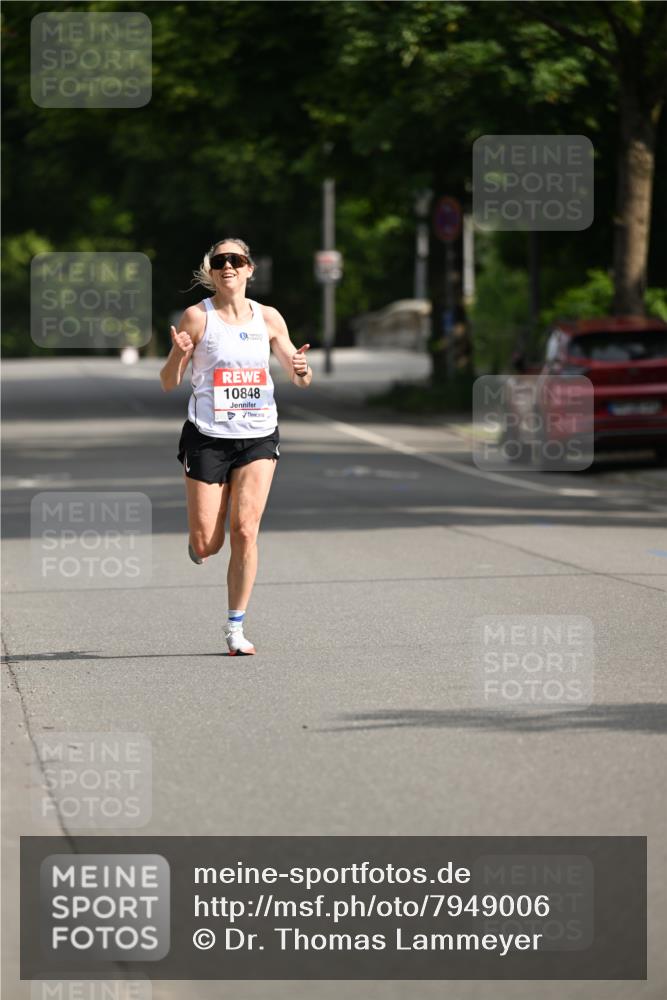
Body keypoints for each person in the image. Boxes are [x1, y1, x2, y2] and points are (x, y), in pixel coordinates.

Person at [159, 238, 312, 655]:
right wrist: (177, 355)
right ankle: (201, 537)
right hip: (207, 436)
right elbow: (169, 381)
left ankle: (235, 628)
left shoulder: (268, 317)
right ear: (211, 271)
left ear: (249, 269)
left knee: (245, 530)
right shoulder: (197, 317)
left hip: (258, 434)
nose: (228, 266)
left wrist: (300, 368)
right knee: (210, 541)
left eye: (236, 260)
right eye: (219, 261)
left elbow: (298, 376)